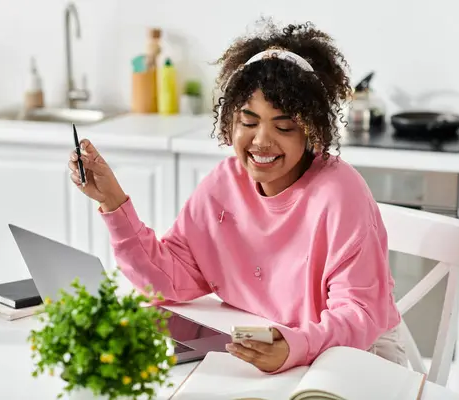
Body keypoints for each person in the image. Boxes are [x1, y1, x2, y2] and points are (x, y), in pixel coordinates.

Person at [68, 20, 406, 374]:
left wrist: (296, 346)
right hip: (274, 349)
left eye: (284, 126)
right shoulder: (224, 183)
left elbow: (358, 314)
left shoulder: (340, 193)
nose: (261, 140)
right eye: (248, 122)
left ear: (312, 132)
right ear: (229, 121)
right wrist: (113, 201)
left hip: (357, 356)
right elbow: (170, 280)